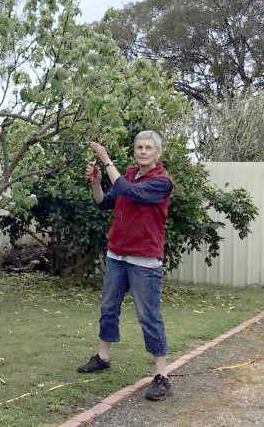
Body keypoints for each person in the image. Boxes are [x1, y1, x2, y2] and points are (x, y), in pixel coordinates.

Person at [76, 130, 174, 401]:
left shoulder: (161, 182)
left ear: (158, 153)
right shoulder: (128, 175)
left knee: (148, 316)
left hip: (145, 260)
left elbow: (129, 192)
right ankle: (102, 357)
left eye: (148, 148)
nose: (142, 151)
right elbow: (103, 202)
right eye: (139, 147)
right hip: (117, 255)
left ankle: (162, 376)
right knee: (108, 308)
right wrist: (95, 182)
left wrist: (106, 160)